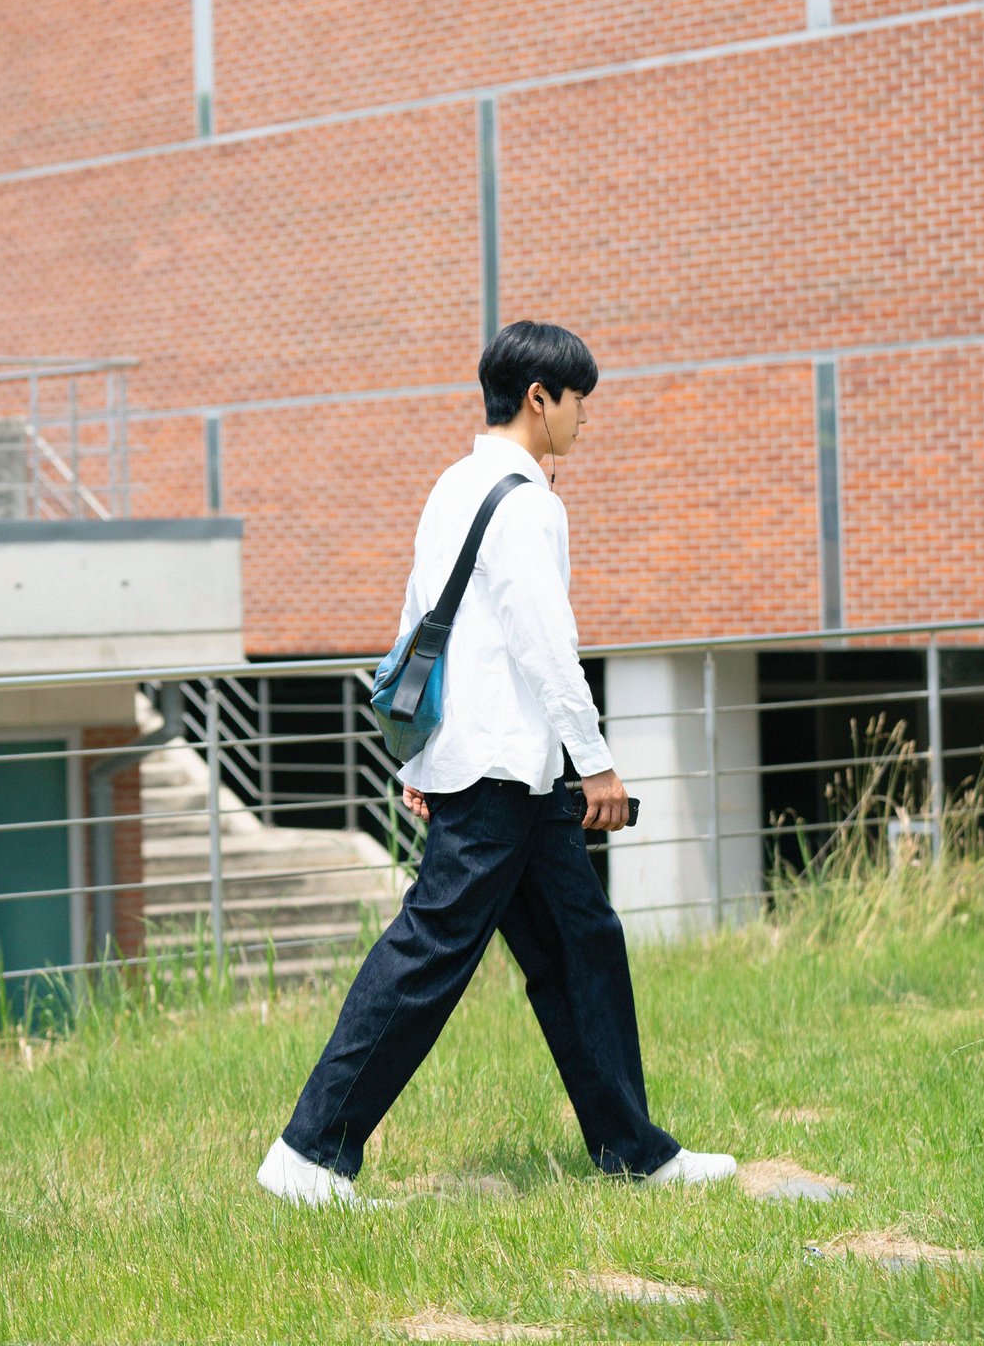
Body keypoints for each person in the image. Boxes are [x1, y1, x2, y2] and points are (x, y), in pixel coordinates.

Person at [257, 320, 736, 1208]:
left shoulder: (453, 484)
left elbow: (417, 624)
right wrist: (597, 763)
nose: (585, 417)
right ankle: (308, 1154)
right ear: (539, 399)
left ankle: (634, 1151)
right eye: (579, 400)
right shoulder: (526, 502)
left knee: (580, 945)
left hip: (499, 769)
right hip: (502, 773)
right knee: (430, 951)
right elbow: (543, 643)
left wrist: (418, 755)